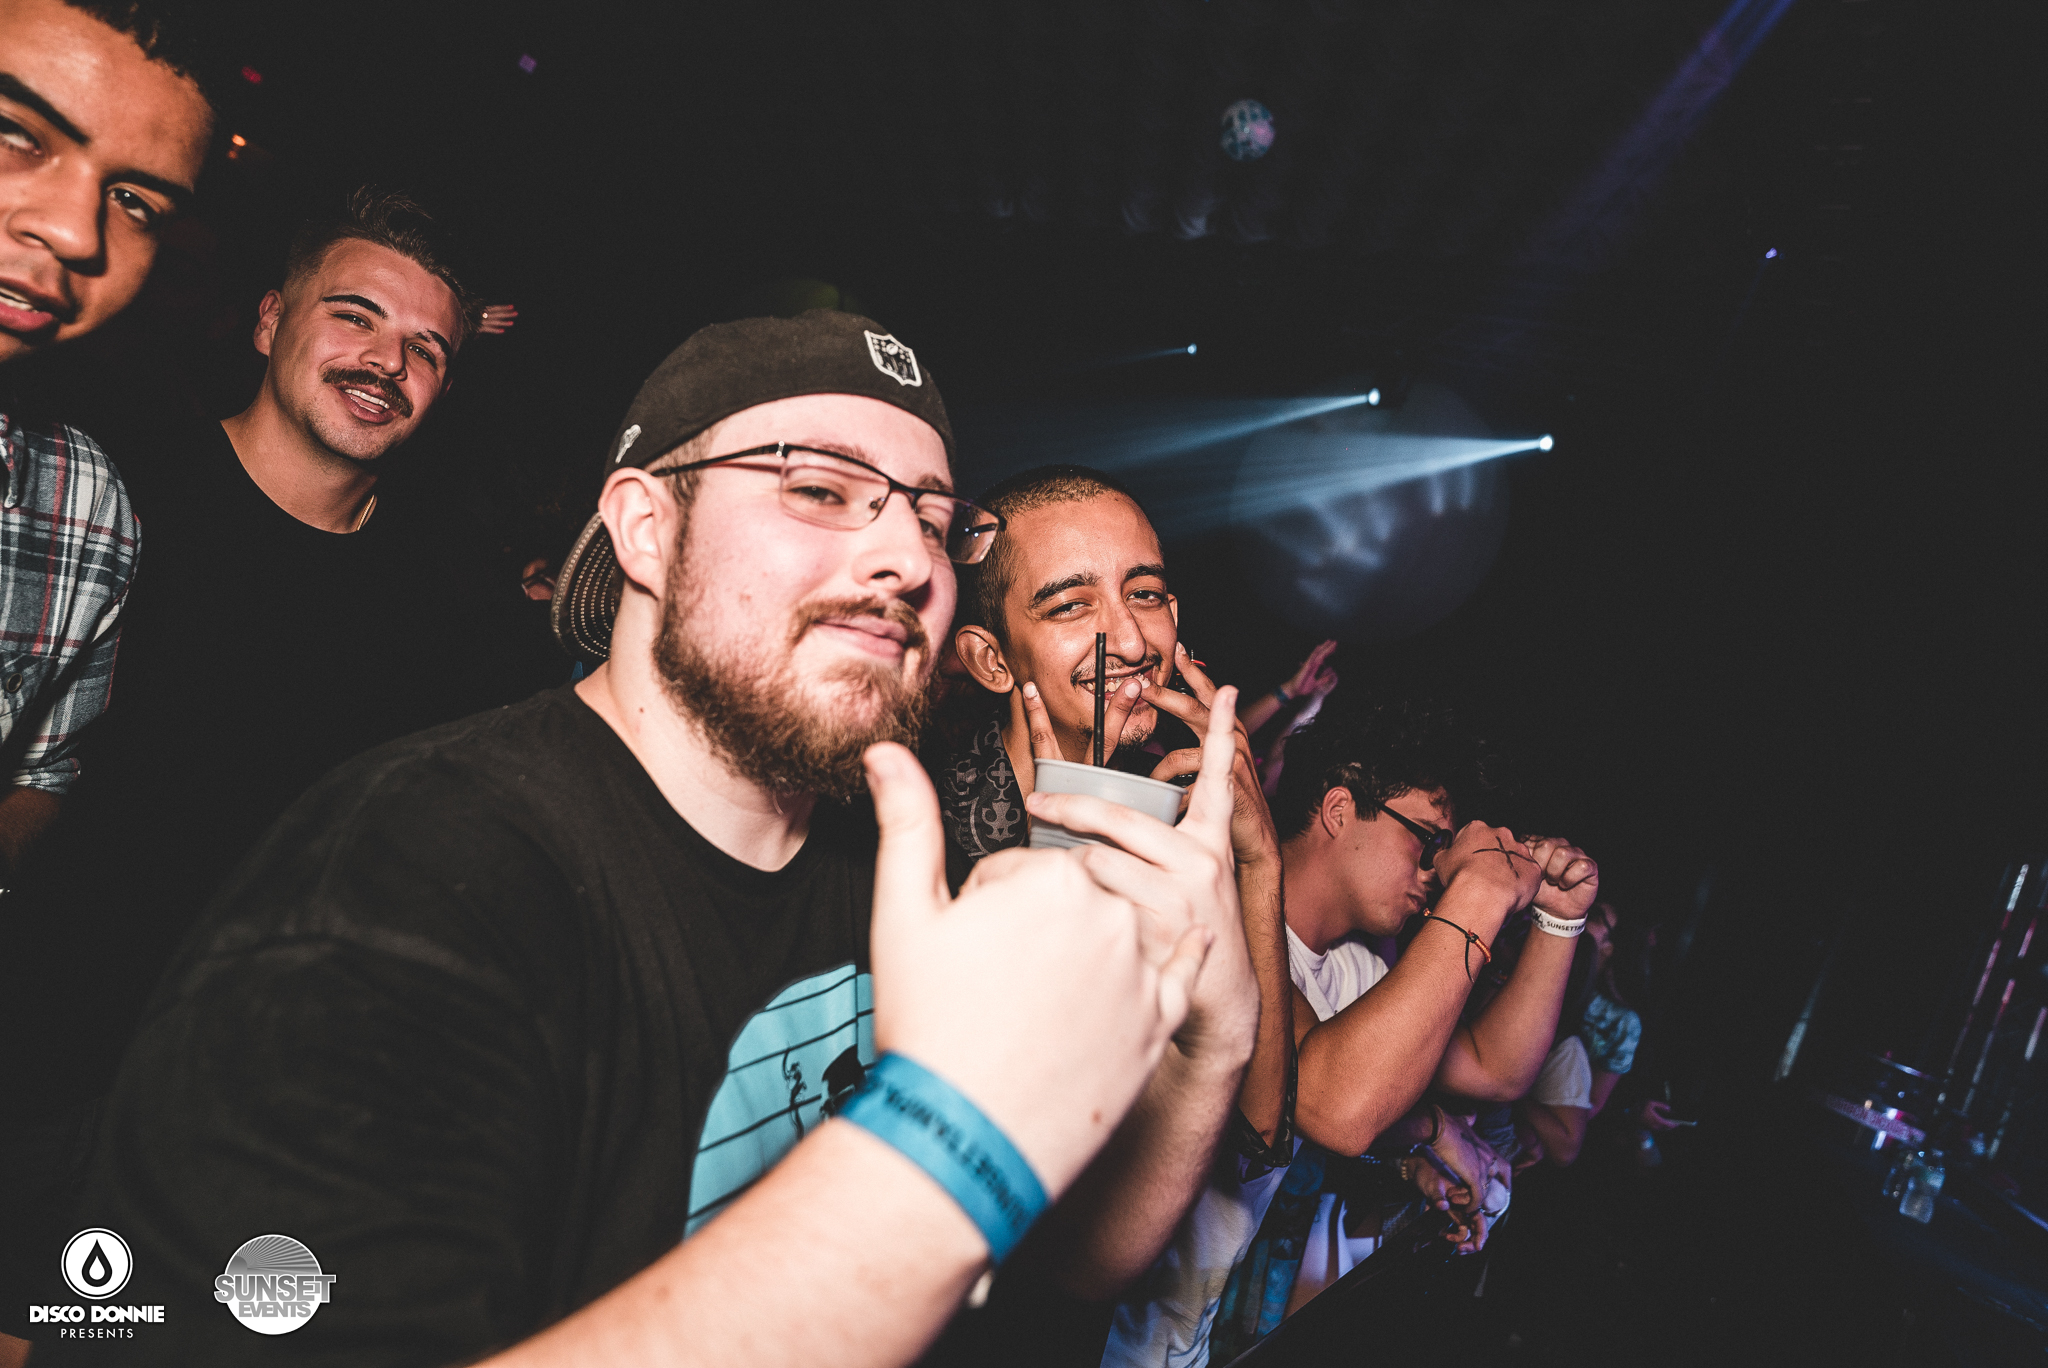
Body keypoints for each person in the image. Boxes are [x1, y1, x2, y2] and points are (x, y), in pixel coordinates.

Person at [46, 310, 1249, 1366]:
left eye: (932, 521)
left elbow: (1063, 1264)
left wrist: (1210, 1037)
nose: (905, 559)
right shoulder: (406, 887)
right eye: (819, 490)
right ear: (643, 527)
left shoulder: (885, 863)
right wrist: (940, 1146)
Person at [930, 462, 1291, 1365]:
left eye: (1147, 593)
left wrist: (1257, 865)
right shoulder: (922, 834)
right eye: (1070, 604)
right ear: (991, 658)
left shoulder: (1163, 827)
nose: (1130, 638)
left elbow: (1257, 1137)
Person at [0, 2, 214, 1356]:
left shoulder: (83, 505)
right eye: (15, 134)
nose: (78, 231)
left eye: (136, 200)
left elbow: (44, 771)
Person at [1191, 700, 1600, 1361]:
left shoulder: (1352, 967)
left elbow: (1496, 1068)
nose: (1435, 870)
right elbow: (1330, 1104)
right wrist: (1482, 889)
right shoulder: (1221, 912)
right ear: (1339, 810)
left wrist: (1559, 919)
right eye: (1427, 840)